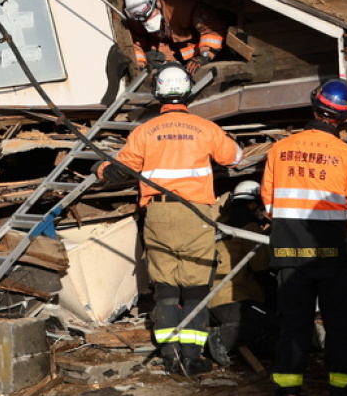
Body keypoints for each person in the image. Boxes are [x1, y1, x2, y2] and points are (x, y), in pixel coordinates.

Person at [95, 62, 242, 375]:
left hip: (158, 213)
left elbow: (119, 169)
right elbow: (233, 157)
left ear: (158, 93)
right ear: (188, 92)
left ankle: (170, 355)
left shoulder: (144, 131)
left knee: (166, 288)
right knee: (196, 288)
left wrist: (101, 169)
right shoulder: (205, 128)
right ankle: (193, 357)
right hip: (196, 213)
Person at [261, 78, 347, 396]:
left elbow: (269, 204)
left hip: (289, 252)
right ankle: (341, 390)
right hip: (334, 256)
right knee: (340, 323)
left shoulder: (280, 150)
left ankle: (288, 393)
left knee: (294, 323)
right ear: (346, 117)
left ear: (314, 106)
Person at [207, 180, 273, 367]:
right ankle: (222, 337)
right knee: (273, 322)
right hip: (235, 301)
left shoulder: (221, 225)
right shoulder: (249, 227)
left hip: (212, 302)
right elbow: (261, 268)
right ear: (252, 205)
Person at [123, 0, 227, 75]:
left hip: (196, 46)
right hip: (165, 46)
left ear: (156, 2)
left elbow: (212, 29)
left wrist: (203, 56)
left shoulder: (182, 4)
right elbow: (136, 44)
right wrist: (140, 64)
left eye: (151, 15)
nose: (148, 20)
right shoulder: (135, 20)